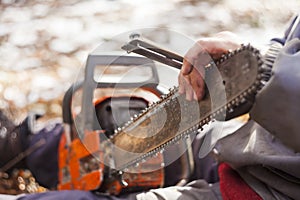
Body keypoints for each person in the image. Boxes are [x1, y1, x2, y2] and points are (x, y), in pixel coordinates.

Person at [1, 13, 300, 200]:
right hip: (257, 149)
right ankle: (18, 143)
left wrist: (265, 74)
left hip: (263, 192)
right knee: (111, 127)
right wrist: (250, 67)